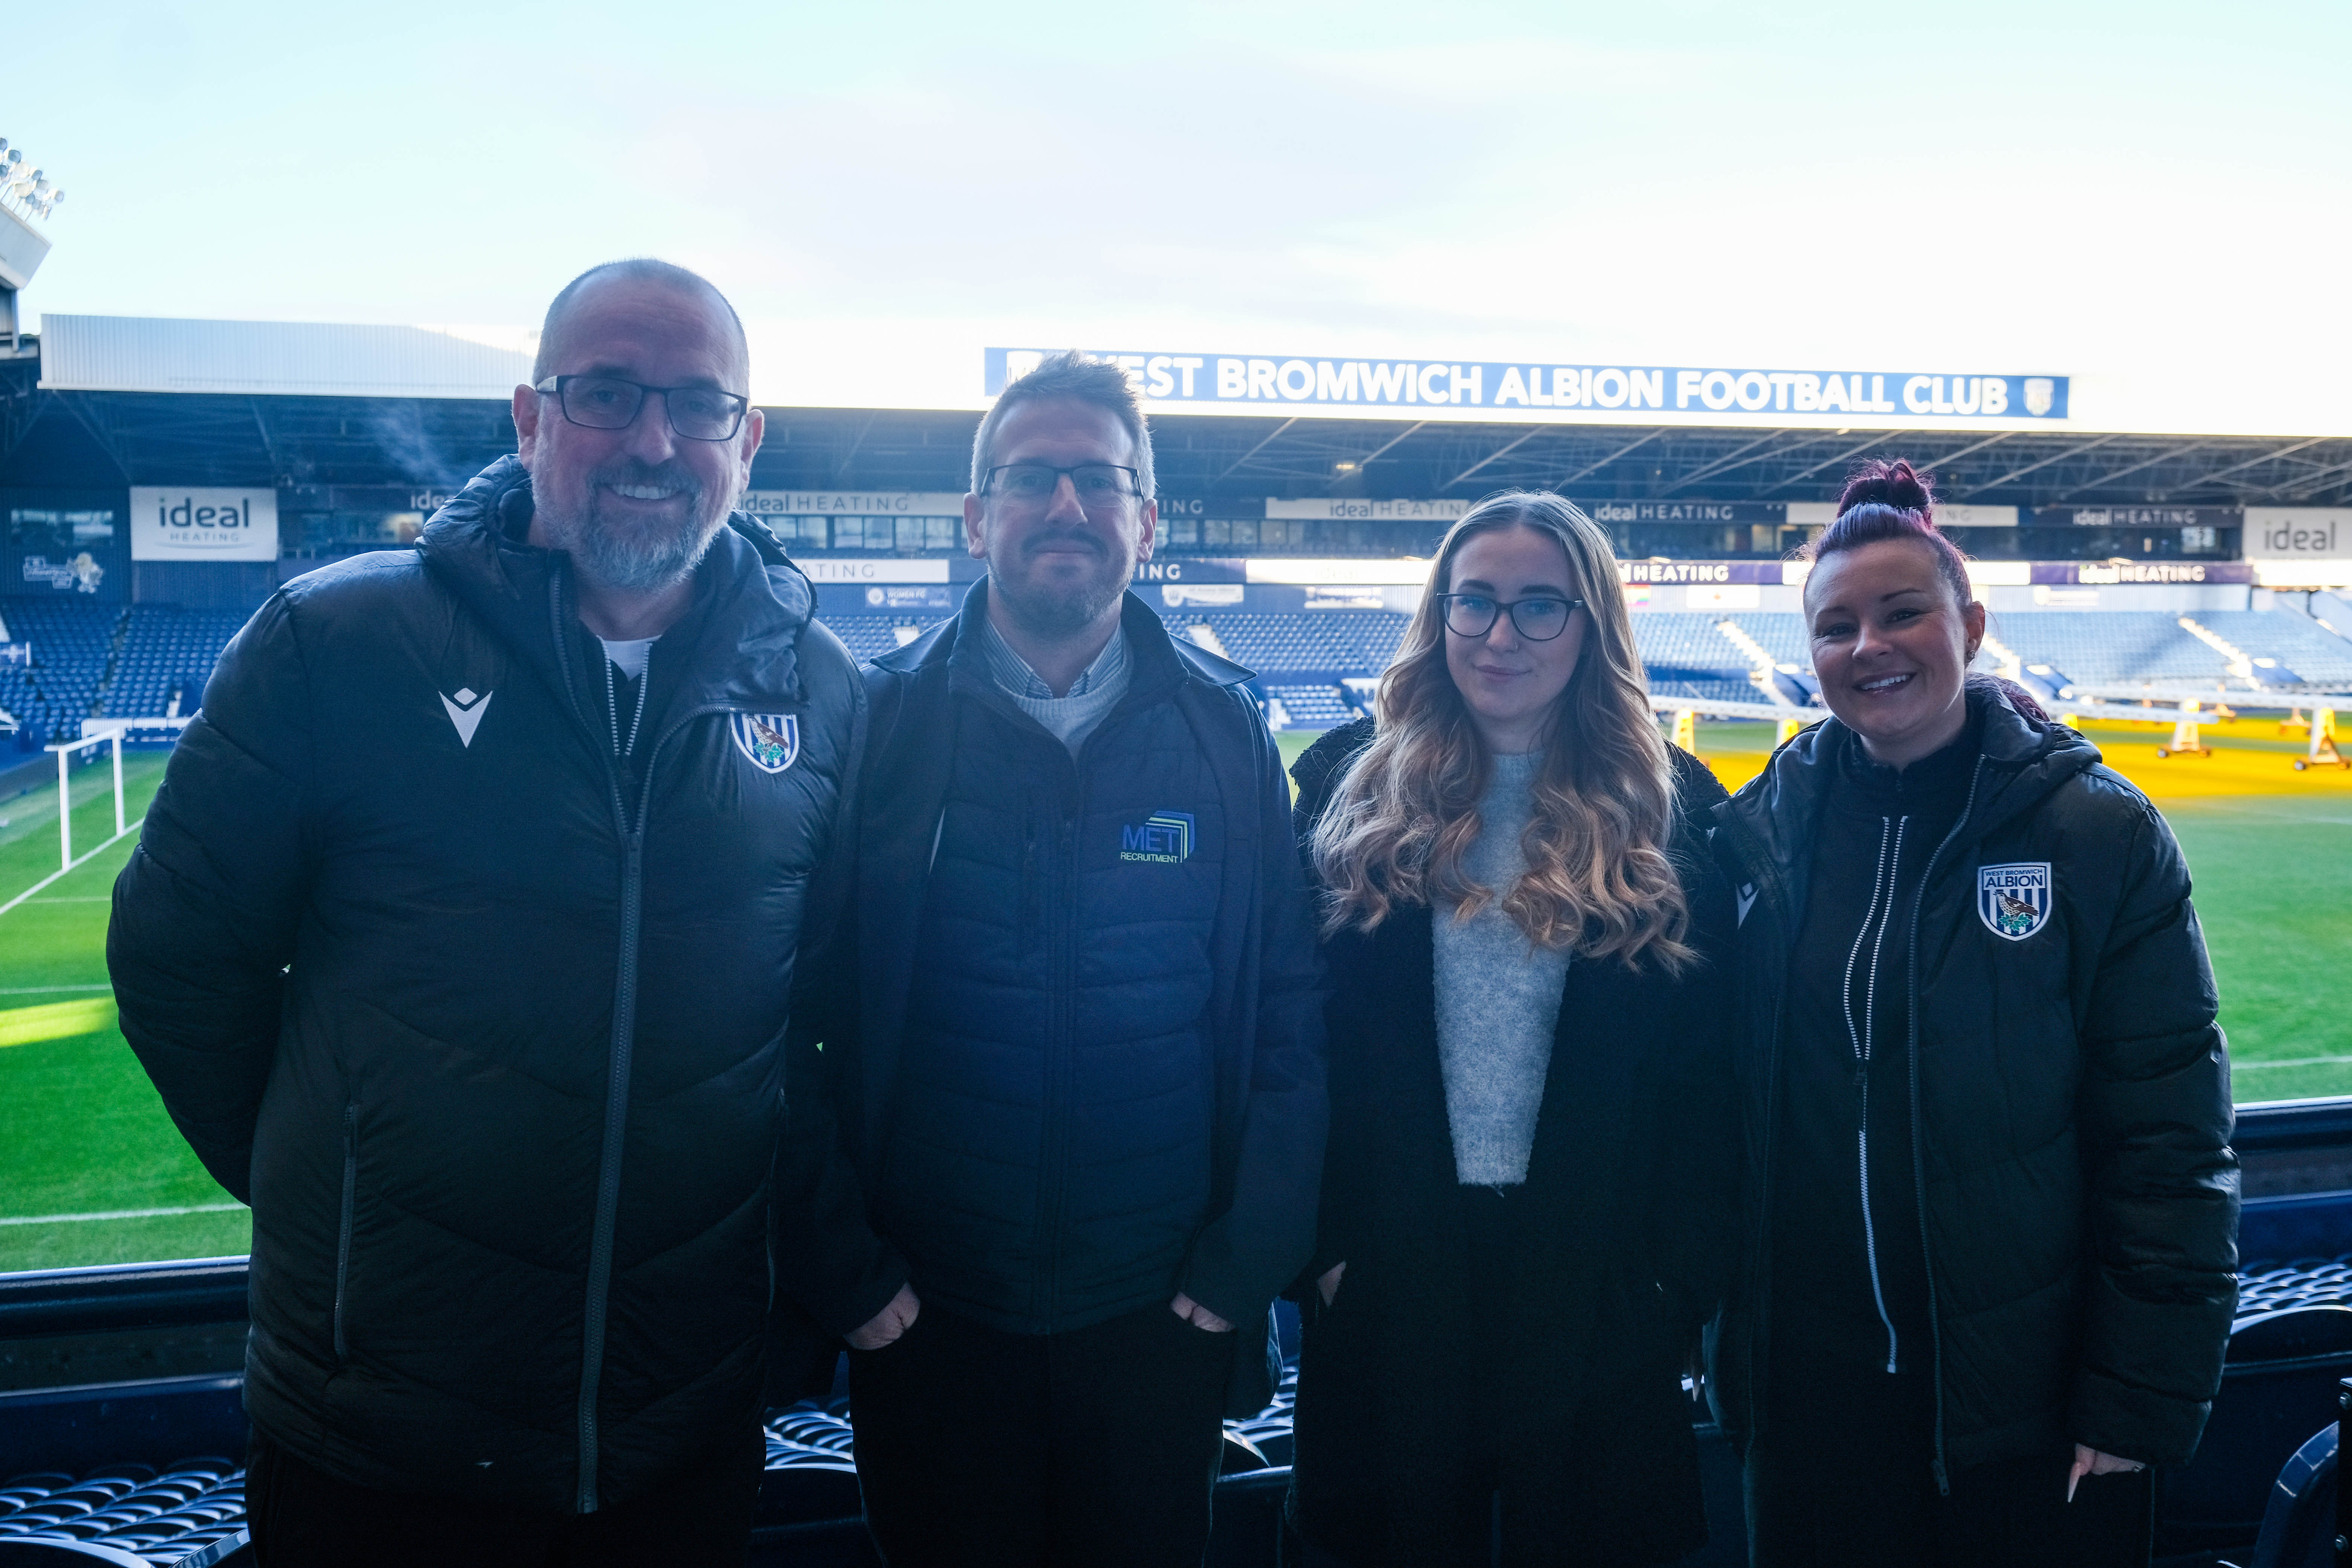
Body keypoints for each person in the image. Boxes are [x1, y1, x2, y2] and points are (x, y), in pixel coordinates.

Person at [107, 259, 866, 1566]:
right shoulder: (333, 645)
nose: (650, 439)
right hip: (380, 1437)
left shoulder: (822, 686)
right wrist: (342, 1195)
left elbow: (828, 1017)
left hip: (679, 1430)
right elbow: (180, 967)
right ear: (528, 419)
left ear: (749, 439)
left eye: (696, 404)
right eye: (605, 394)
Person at [778, 350, 1327, 1566]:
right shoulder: (882, 725)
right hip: (930, 1320)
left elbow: (1289, 1008)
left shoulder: (1226, 732)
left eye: (1099, 478)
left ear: (1145, 516)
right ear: (978, 517)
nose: (1066, 507)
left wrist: (1246, 1260)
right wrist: (851, 1276)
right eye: (1032, 479)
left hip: (1158, 1316)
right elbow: (786, 1019)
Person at [1709, 460, 2239, 1567]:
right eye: (1836, 626)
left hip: (2025, 1414)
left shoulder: (2097, 837)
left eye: (1904, 613)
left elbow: (2170, 1141)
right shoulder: (1759, 835)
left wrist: (2132, 1397)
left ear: (1973, 624)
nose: (1870, 647)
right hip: (1810, 1403)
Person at [1285, 491, 1738, 1566]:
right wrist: (1326, 1251)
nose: (1501, 634)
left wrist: (1676, 1280)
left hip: (1600, 1278)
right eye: (1475, 602)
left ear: (1593, 625)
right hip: (1392, 1267)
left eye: (1542, 607)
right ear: (1438, 615)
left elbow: (1716, 1074)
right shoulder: (1345, 784)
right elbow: (1286, 1039)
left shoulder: (1672, 803)